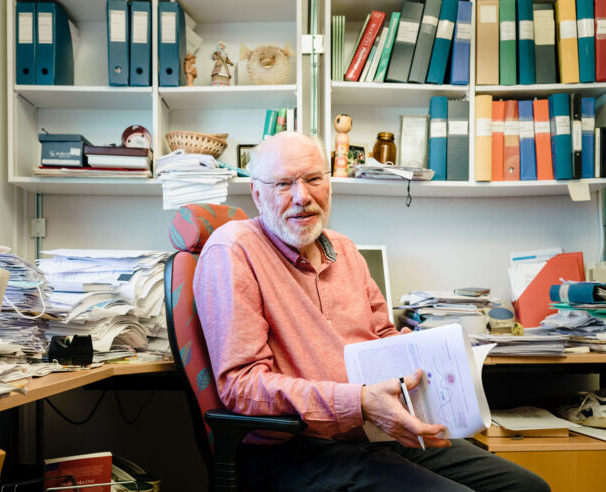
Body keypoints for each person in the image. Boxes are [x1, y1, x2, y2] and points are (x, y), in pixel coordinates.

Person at [193, 131, 550, 491]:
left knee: (527, 488)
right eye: (284, 184)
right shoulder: (233, 250)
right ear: (257, 193)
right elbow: (242, 387)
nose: (302, 197)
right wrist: (359, 402)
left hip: (375, 432)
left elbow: (382, 335)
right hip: (298, 450)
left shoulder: (345, 250)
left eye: (314, 179)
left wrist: (413, 354)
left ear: (328, 183)